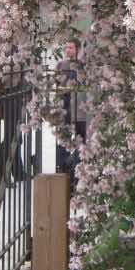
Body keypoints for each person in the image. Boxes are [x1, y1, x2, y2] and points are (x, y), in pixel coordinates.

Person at [56, 39, 87, 186]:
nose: (67, 50)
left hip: (80, 109)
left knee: (81, 142)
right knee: (63, 142)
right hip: (65, 108)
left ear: (77, 49)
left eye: (71, 47)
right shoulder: (60, 65)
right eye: (66, 47)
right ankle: (62, 172)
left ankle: (77, 176)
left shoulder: (82, 66)